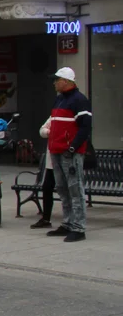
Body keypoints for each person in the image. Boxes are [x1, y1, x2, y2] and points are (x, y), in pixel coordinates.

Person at [46, 66, 92, 242]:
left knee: (75, 189)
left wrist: (73, 147)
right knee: (63, 189)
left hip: (70, 152)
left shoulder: (79, 100)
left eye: (56, 80)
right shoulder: (59, 100)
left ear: (66, 81)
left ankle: (79, 228)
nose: (54, 83)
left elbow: (85, 127)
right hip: (57, 151)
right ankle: (67, 223)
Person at [30, 117, 57, 230]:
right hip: (52, 162)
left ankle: (71, 221)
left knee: (67, 191)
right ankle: (46, 219)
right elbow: (42, 130)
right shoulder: (55, 115)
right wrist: (49, 132)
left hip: (66, 161)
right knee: (47, 188)